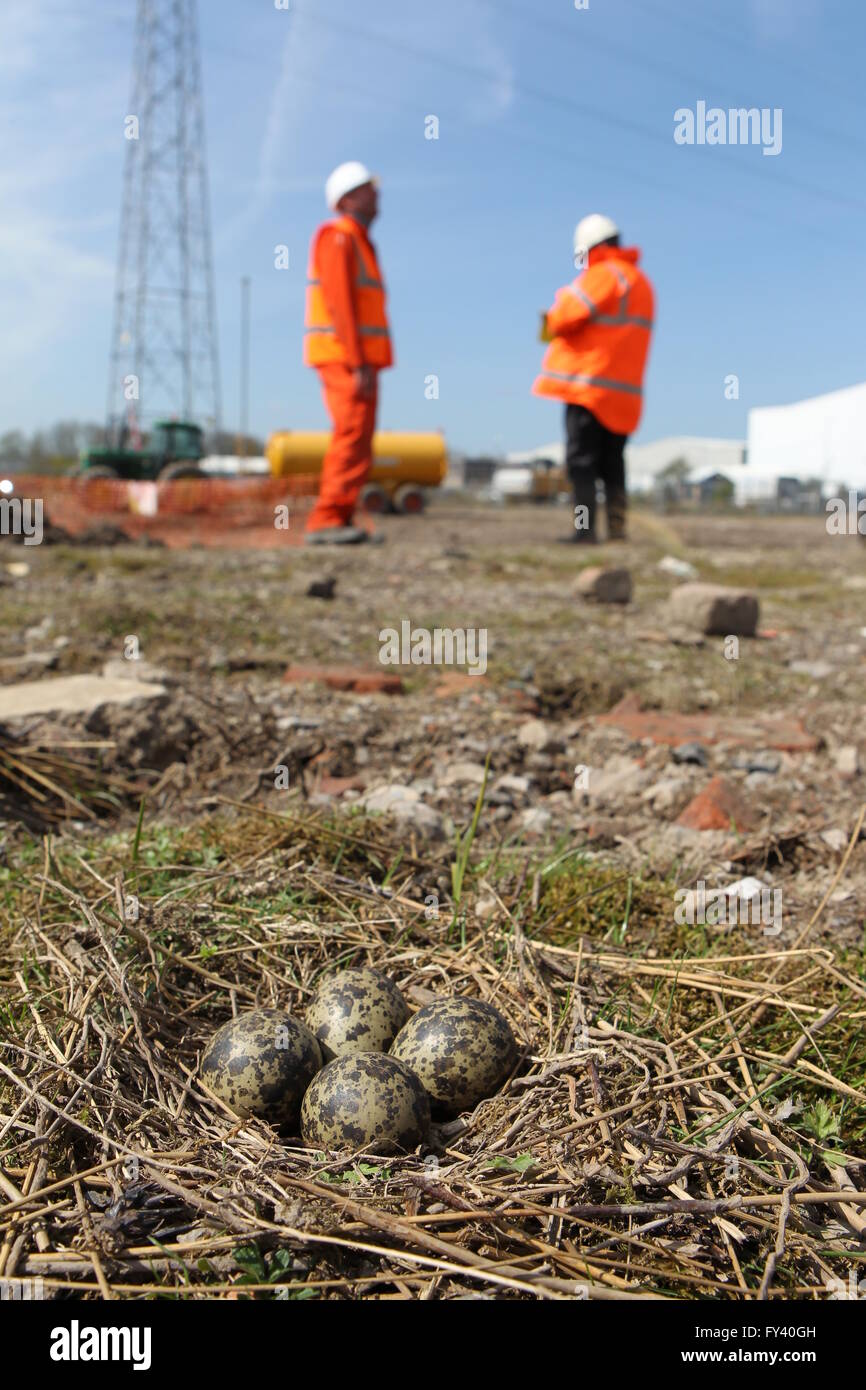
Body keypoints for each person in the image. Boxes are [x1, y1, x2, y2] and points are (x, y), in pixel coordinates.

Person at [533, 214, 654, 543]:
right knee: (613, 464)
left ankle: (584, 530)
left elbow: (566, 315)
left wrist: (552, 316)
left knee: (581, 463)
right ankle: (617, 529)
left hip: (589, 387)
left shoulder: (603, 275)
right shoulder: (641, 283)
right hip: (624, 393)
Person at [303, 161, 393, 544]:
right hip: (344, 356)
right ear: (348, 198)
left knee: (358, 437)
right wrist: (357, 361)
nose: (377, 195)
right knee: (351, 433)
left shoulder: (356, 239)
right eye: (368, 189)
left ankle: (338, 518)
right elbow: (339, 304)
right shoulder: (338, 236)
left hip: (357, 358)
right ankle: (326, 520)